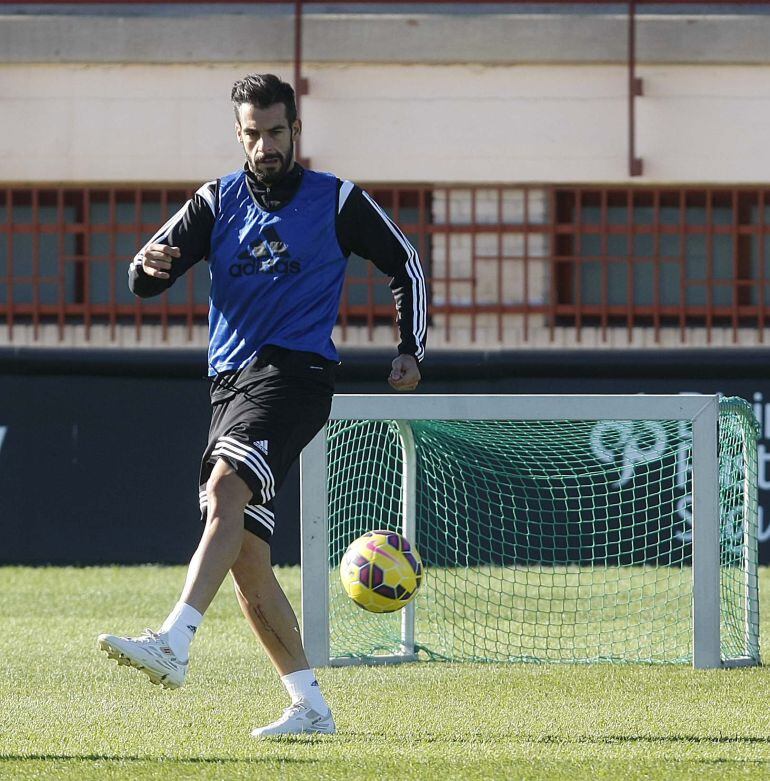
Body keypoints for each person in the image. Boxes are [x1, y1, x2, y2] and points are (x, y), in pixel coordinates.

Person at [97, 73, 426, 738]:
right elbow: (143, 272)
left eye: (276, 132)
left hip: (295, 373)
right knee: (246, 555)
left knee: (226, 487)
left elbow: (406, 263)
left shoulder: (336, 200)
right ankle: (309, 703)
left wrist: (410, 347)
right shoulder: (216, 200)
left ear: (295, 129)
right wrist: (149, 267)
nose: (265, 145)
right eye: (253, 134)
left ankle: (175, 640)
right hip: (228, 384)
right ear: (239, 134)